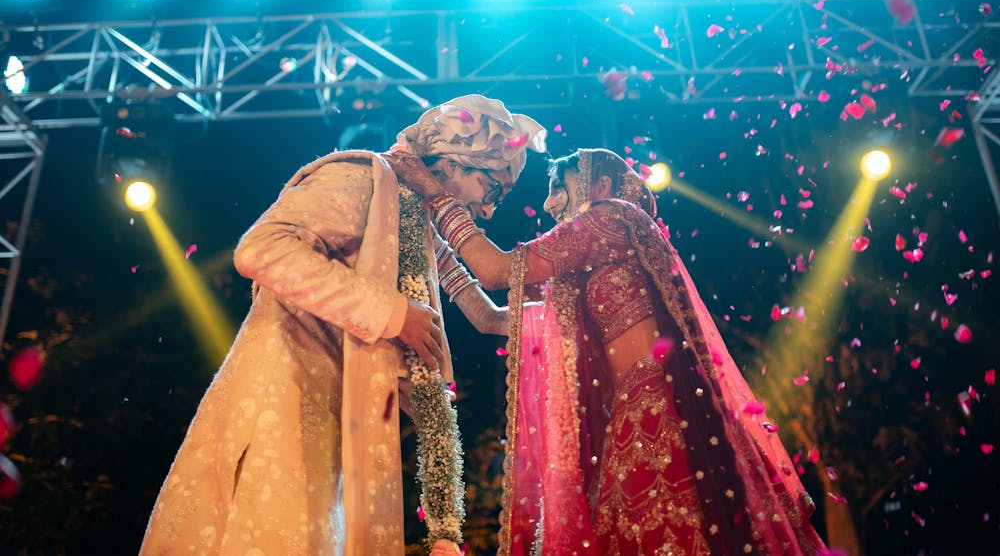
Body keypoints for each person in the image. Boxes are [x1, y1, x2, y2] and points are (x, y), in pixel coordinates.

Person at [139, 94, 546, 555]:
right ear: (454, 162)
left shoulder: (414, 216)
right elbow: (261, 249)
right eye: (492, 190)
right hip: (283, 396)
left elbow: (484, 312)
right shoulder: (362, 177)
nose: (489, 210)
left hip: (337, 416)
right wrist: (393, 314)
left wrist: (551, 316)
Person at [391, 147, 827, 555]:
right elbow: (489, 317)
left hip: (658, 412)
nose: (549, 205)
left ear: (599, 185)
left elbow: (496, 270)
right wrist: (433, 246)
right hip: (628, 418)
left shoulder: (613, 217)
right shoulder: (581, 280)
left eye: (559, 188)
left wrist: (435, 195)